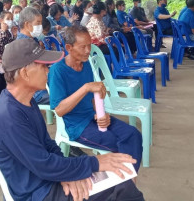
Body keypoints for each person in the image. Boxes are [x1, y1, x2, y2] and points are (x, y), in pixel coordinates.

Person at [0, 38, 144, 201]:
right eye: (43, 66)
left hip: (48, 179)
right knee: (122, 188)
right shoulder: (6, 115)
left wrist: (68, 176)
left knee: (123, 183)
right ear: (25, 73)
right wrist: (95, 163)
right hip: (37, 193)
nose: (48, 71)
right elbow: (44, 165)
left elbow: (48, 144)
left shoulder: (27, 101)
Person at [48, 26, 143, 173]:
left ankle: (128, 181)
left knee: (133, 134)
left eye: (89, 45)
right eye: (83, 47)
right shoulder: (57, 71)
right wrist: (85, 87)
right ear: (69, 47)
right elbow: (59, 110)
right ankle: (127, 182)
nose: (88, 50)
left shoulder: (85, 65)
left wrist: (101, 114)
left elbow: (93, 99)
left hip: (92, 118)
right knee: (118, 143)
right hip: (76, 126)